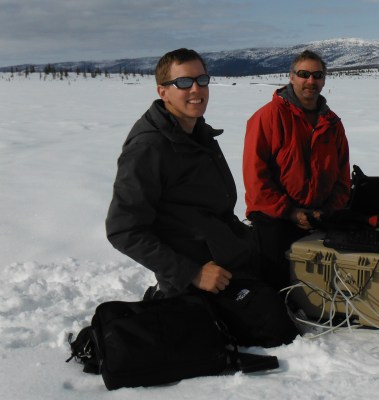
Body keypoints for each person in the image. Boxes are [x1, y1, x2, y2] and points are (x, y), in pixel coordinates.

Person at [105, 48, 297, 346]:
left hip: (228, 257)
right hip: (201, 275)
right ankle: (168, 302)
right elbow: (123, 229)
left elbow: (211, 209)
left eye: (202, 80)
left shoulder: (198, 134)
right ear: (163, 91)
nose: (196, 89)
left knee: (296, 285)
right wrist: (191, 273)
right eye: (184, 83)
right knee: (276, 327)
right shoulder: (149, 148)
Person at [242, 50, 351, 291]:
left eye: (317, 75)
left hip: (320, 213)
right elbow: (255, 178)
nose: (310, 81)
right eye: (304, 74)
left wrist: (329, 210)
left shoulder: (332, 123)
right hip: (275, 215)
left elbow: (343, 176)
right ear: (291, 77)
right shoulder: (267, 117)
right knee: (275, 282)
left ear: (324, 80)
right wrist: (290, 212)